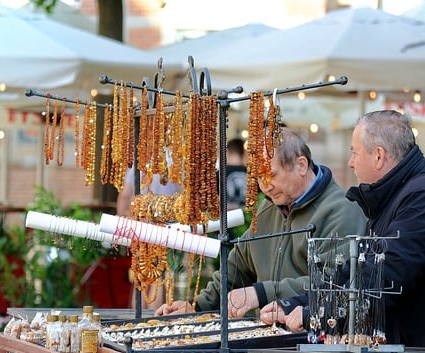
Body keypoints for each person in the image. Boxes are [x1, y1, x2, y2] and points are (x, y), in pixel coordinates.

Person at [261, 110, 425, 349]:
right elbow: (353, 273)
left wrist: (316, 313)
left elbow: (386, 276)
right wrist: (296, 304)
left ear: (378, 156)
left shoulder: (424, 193)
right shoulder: (392, 195)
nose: (350, 162)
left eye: (354, 152)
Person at [156, 127, 365, 318]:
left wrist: (262, 292)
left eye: (271, 175)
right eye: (258, 178)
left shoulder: (342, 211)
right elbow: (238, 266)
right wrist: (197, 307)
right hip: (267, 339)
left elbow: (335, 283)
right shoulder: (267, 208)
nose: (265, 187)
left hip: (313, 345)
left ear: (301, 165)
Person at [117, 167, 182, 311]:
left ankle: (138, 316)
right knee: (159, 277)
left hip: (140, 226)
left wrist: (122, 225)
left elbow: (125, 195)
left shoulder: (137, 164)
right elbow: (183, 196)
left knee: (140, 277)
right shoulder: (174, 163)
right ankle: (154, 317)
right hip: (167, 229)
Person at [223, 137, 247, 210]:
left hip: (226, 218)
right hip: (247, 218)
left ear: (227, 152)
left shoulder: (220, 173)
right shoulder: (251, 174)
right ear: (244, 153)